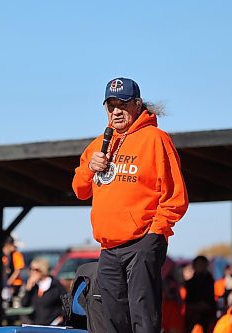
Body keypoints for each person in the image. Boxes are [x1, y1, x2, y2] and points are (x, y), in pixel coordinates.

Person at [72, 77, 189, 333]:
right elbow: (79, 191)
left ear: (137, 105)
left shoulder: (156, 139)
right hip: (109, 247)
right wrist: (89, 169)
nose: (116, 111)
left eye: (122, 104)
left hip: (142, 243)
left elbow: (175, 196)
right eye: (111, 105)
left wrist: (155, 233)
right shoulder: (98, 145)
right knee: (112, 320)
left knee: (143, 318)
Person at [21, 257, 66, 326]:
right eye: (31, 269)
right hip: (38, 325)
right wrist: (28, 289)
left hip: (54, 325)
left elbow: (66, 304)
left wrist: (60, 318)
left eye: (36, 270)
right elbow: (24, 304)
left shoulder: (55, 285)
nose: (32, 272)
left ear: (43, 270)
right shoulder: (34, 287)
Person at [185, 255, 217, 333]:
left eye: (203, 264)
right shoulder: (190, 283)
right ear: (194, 266)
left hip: (208, 317)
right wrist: (197, 306)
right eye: (199, 264)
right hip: (193, 317)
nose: (201, 267)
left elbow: (212, 300)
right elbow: (188, 302)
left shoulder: (210, 281)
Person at [2, 235, 25, 303]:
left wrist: (8, 283)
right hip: (5, 284)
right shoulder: (3, 256)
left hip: (15, 284)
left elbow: (17, 271)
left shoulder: (16, 255)